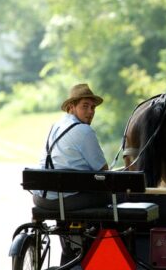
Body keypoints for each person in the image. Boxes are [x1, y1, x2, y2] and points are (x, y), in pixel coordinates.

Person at [32, 83, 109, 211]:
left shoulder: (55, 126)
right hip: (63, 200)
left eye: (93, 107)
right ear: (71, 107)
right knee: (116, 195)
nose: (91, 112)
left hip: (40, 198)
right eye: (85, 106)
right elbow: (104, 172)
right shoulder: (84, 131)